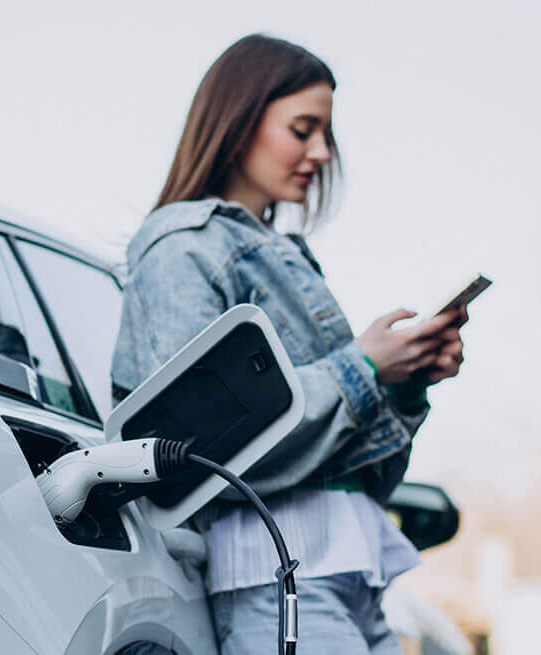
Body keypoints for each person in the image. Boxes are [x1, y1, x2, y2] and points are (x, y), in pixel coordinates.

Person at [111, 34, 466, 654]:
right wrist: (361, 368)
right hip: (278, 580)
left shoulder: (283, 255)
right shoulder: (182, 248)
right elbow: (202, 448)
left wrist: (404, 384)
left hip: (346, 581)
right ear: (239, 119)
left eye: (325, 135)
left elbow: (357, 473)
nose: (321, 153)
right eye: (302, 130)